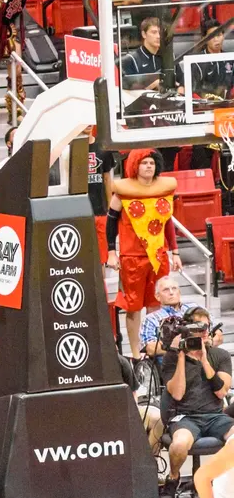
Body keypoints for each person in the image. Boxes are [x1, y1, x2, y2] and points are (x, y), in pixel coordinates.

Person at [108, 148, 180, 353]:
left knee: (156, 304)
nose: (149, 166)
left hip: (159, 256)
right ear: (135, 166)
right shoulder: (123, 192)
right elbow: (111, 222)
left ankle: (153, 349)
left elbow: (167, 223)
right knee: (133, 307)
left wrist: (175, 252)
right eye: (144, 163)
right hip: (132, 257)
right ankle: (135, 352)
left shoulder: (163, 191)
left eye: (152, 163)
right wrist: (111, 252)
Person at [161, 306, 233, 496]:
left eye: (206, 328)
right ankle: (173, 478)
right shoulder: (171, 357)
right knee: (179, 445)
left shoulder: (220, 355)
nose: (203, 333)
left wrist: (204, 361)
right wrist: (181, 357)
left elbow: (221, 392)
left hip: (215, 416)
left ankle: (215, 479)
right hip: (185, 417)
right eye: (197, 329)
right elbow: (177, 394)